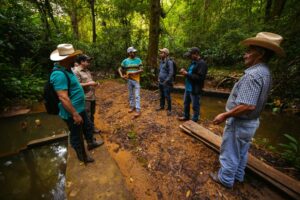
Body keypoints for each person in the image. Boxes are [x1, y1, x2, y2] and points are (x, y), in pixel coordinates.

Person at [210, 32, 285, 188]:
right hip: (251, 122)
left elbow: (247, 105)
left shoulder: (253, 75)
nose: (245, 55)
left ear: (261, 53)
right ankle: (238, 175)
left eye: (249, 50)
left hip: (240, 123)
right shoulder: (266, 72)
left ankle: (225, 179)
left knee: (229, 151)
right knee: (242, 151)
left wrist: (225, 114)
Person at [50, 44, 104, 163]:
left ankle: (91, 143)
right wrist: (74, 114)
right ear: (64, 59)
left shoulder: (68, 70)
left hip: (80, 108)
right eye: (72, 56)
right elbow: (63, 97)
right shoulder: (58, 74)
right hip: (72, 112)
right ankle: (82, 155)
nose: (75, 58)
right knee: (76, 135)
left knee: (88, 126)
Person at [73, 54, 101, 134]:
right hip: (84, 97)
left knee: (92, 114)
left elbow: (89, 81)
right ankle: (87, 132)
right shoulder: (76, 71)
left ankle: (91, 128)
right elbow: (77, 85)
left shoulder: (87, 70)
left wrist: (95, 84)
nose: (89, 63)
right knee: (86, 115)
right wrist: (89, 84)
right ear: (82, 62)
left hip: (91, 96)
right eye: (87, 61)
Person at [178, 47, 208, 122]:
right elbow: (191, 74)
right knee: (186, 103)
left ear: (196, 54)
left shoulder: (202, 64)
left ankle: (195, 119)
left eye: (191, 55)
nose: (190, 56)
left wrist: (187, 73)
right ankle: (186, 116)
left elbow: (200, 78)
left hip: (195, 89)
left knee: (195, 105)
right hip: (188, 87)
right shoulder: (193, 62)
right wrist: (185, 72)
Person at [118, 47, 143, 118]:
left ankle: (138, 110)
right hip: (129, 80)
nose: (134, 53)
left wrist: (134, 72)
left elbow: (141, 70)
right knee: (131, 94)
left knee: (137, 95)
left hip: (136, 80)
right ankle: (132, 107)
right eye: (132, 52)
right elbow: (120, 68)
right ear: (129, 53)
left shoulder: (138, 60)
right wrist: (121, 75)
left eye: (134, 52)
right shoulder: (125, 61)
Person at [156, 48, 174, 116]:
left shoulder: (169, 62)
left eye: (162, 53)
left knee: (167, 95)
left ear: (166, 54)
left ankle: (169, 109)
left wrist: (166, 81)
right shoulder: (161, 61)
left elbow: (171, 73)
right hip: (160, 82)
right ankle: (162, 106)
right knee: (161, 95)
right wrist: (158, 78)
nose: (160, 54)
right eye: (160, 53)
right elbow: (160, 71)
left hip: (167, 83)